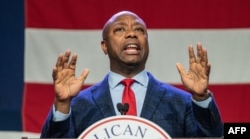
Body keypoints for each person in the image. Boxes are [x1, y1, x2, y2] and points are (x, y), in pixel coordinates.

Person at [40, 11, 223, 138]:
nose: (131, 34)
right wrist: (62, 104)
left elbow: (213, 136)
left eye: (139, 30)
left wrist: (200, 97)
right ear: (104, 46)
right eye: (120, 29)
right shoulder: (79, 104)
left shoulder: (181, 102)